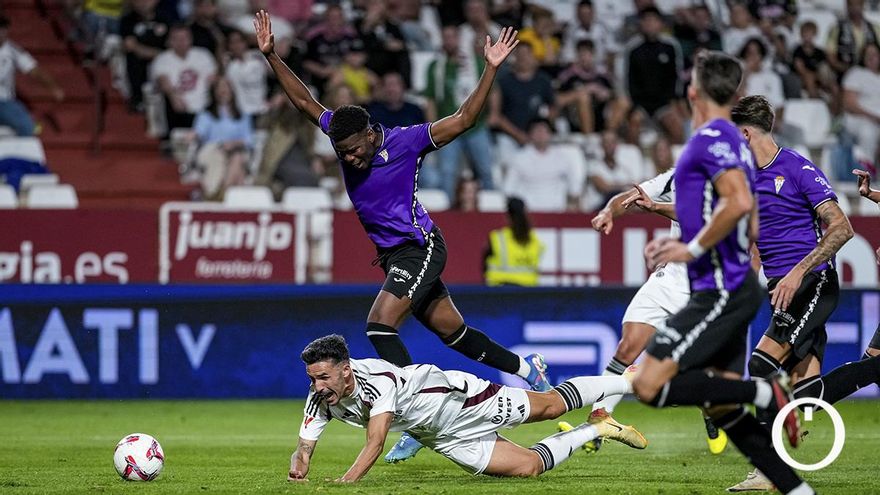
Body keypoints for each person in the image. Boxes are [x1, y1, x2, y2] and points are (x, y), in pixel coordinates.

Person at [254, 10, 553, 465]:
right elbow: (304, 101)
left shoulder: (407, 141)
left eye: (354, 150)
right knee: (457, 336)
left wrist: (490, 68)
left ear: (372, 135)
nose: (349, 158)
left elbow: (465, 118)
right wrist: (273, 55)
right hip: (396, 254)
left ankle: (416, 418)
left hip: (420, 247)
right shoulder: (341, 128)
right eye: (341, 152)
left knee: (378, 325)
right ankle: (526, 368)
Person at [631, 51, 815, 495]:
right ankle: (797, 489)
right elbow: (748, 220)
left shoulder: (707, 139)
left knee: (648, 384)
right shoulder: (739, 144)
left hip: (718, 292)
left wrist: (689, 246)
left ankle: (767, 394)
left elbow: (740, 205)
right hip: (734, 285)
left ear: (693, 92)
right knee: (723, 410)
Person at [727, 95, 880, 492]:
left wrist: (797, 272)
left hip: (813, 283)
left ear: (745, 132)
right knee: (808, 394)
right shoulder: (745, 177)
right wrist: (656, 207)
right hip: (782, 290)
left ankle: (767, 472)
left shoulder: (796, 167)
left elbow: (842, 227)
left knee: (761, 366)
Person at [290, 334, 647, 482]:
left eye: (323, 377)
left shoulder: (378, 379)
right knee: (527, 468)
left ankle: (628, 381)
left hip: (461, 402)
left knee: (551, 407)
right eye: (312, 379)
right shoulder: (319, 396)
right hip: (440, 437)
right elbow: (304, 446)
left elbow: (375, 442)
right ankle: (598, 427)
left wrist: (346, 482)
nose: (318, 387)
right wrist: (299, 471)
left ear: (345, 369)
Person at [0, 15, 64, 136]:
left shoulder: (12, 50)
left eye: (3, 28)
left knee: (27, 127)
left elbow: (34, 70)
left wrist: (53, 87)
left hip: (4, 101)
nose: (1, 32)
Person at [191, 77, 253, 200]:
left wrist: (233, 143)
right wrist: (192, 136)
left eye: (226, 87)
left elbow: (249, 140)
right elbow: (199, 132)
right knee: (232, 165)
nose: (223, 91)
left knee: (237, 157)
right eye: (220, 88)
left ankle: (219, 195)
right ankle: (224, 195)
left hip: (237, 150)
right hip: (213, 149)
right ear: (214, 92)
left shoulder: (242, 115)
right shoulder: (206, 114)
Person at [484, 197, 544, 287]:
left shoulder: (498, 238)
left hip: (501, 293)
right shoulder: (535, 241)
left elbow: (484, 266)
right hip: (529, 292)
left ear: (508, 215)